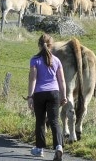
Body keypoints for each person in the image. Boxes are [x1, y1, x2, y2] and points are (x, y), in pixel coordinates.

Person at [27, 33, 67, 161]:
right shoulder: (56, 61)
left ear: (39, 45)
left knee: (40, 120)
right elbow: (62, 81)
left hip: (39, 93)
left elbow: (32, 79)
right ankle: (59, 147)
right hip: (54, 93)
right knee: (54, 121)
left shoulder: (35, 60)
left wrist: (30, 96)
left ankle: (39, 149)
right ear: (51, 46)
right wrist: (64, 96)